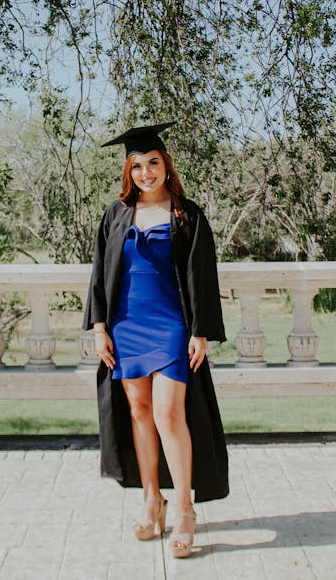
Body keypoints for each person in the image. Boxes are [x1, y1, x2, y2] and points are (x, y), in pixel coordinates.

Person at [83, 122, 229, 559]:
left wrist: (200, 331)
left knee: (169, 414)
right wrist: (99, 327)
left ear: (166, 165)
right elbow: (99, 273)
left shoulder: (187, 214)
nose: (146, 172)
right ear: (128, 171)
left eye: (153, 163)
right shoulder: (116, 213)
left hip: (170, 327)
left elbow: (203, 278)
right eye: (138, 165)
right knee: (140, 413)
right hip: (125, 325)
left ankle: (185, 509)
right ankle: (153, 500)